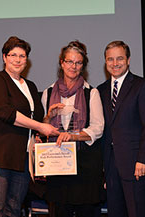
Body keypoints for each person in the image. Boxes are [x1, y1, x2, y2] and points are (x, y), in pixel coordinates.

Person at [0, 36, 59, 217]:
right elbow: (6, 113)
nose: (18, 60)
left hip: (21, 160)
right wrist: (41, 127)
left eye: (22, 56)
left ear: (27, 60)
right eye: (13, 55)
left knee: (13, 211)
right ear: (4, 57)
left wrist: (48, 119)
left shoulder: (31, 86)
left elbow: (34, 121)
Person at [41, 40, 104, 217]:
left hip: (86, 167)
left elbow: (98, 128)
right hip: (58, 164)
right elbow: (43, 128)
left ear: (83, 66)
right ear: (62, 62)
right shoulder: (48, 93)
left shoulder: (91, 93)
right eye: (69, 61)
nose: (73, 66)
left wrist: (72, 136)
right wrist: (49, 117)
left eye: (78, 62)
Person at [97, 41, 145, 217]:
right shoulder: (100, 91)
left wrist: (143, 159)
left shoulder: (143, 86)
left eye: (119, 58)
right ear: (105, 62)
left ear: (128, 60)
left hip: (136, 166)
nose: (115, 63)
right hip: (111, 168)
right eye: (110, 59)